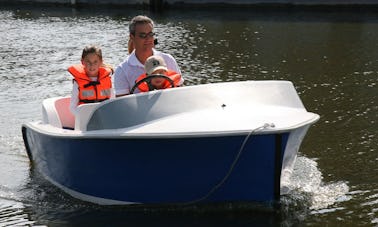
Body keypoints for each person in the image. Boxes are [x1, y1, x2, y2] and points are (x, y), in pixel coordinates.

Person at [113, 15, 183, 96]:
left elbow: (181, 92)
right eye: (142, 35)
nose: (148, 39)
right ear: (132, 37)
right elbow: (123, 104)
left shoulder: (168, 59)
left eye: (150, 34)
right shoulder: (122, 70)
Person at [68, 45, 113, 116]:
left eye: (95, 62)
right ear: (82, 62)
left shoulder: (107, 80)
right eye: (88, 62)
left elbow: (112, 102)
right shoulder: (78, 83)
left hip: (105, 118)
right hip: (85, 120)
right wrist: (84, 118)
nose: (92, 65)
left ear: (101, 62)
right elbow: (72, 107)